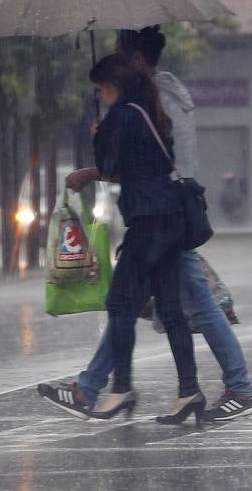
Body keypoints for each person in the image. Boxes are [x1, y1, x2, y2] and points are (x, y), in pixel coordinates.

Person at [38, 29, 252, 423]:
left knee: (144, 304)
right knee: (157, 305)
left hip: (160, 216)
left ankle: (236, 388)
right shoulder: (158, 97)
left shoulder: (150, 101)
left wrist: (98, 155)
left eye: (121, 56)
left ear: (137, 61)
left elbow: (140, 165)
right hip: (170, 213)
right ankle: (143, 390)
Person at [44, 53, 199, 426]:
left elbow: (112, 166)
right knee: (171, 309)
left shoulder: (123, 115)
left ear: (111, 86)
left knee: (120, 305)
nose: (98, 95)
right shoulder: (150, 110)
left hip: (147, 223)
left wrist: (99, 137)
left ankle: (121, 388)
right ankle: (189, 391)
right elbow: (143, 168)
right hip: (170, 219)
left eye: (99, 89)